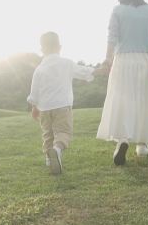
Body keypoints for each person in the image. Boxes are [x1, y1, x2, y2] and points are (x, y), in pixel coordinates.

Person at [96, 0, 148, 165]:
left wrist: (108, 59)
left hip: (123, 61)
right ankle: (142, 145)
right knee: (144, 101)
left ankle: (123, 139)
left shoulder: (118, 10)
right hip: (145, 61)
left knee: (123, 101)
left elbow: (112, 37)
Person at [27, 31, 97, 175]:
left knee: (48, 134)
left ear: (42, 50)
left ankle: (49, 158)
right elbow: (83, 72)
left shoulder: (39, 69)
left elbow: (34, 91)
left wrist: (34, 107)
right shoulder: (66, 63)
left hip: (45, 108)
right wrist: (100, 70)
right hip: (62, 106)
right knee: (63, 132)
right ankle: (57, 150)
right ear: (59, 47)